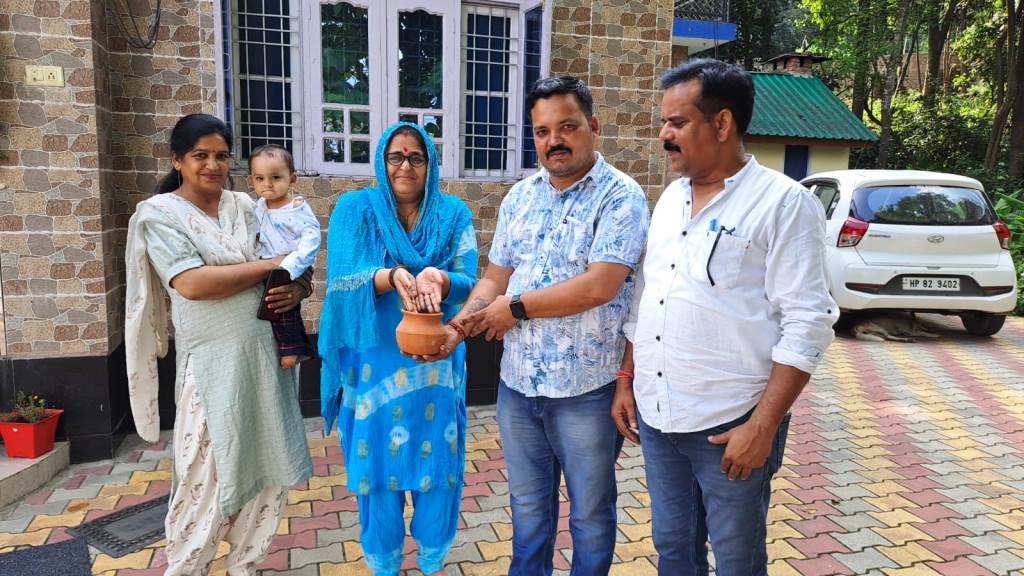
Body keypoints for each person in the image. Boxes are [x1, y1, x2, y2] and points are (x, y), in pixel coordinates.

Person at [611, 59, 838, 576]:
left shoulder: (783, 204)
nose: (664, 136)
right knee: (674, 551)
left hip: (731, 425)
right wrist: (627, 379)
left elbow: (808, 323)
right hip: (659, 418)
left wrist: (763, 425)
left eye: (677, 122)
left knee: (737, 560)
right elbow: (648, 298)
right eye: (663, 123)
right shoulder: (670, 199)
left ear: (722, 123)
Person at [423, 76, 649, 575]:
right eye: (542, 131)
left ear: (593, 126)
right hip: (518, 386)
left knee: (590, 513)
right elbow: (495, 278)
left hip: (587, 390)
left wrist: (517, 308)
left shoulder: (621, 197)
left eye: (567, 127)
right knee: (527, 509)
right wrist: (456, 329)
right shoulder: (520, 197)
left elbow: (601, 285)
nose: (554, 141)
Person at [124, 113, 314, 575]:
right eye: (200, 155)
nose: (213, 165)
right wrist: (271, 265)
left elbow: (298, 257)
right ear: (177, 160)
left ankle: (244, 566)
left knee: (268, 473)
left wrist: (299, 286)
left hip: (268, 358)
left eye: (222, 156)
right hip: (211, 367)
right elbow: (192, 283)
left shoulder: (248, 206)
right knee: (202, 479)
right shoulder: (159, 214)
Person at [319, 122, 478, 576]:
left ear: (431, 164)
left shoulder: (453, 215)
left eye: (416, 157)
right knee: (376, 472)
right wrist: (388, 277)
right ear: (381, 162)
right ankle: (384, 564)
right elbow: (340, 282)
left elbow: (469, 281)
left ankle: (432, 560)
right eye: (396, 157)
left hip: (436, 360)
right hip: (372, 365)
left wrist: (439, 277)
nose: (405, 166)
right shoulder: (355, 210)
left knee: (439, 471)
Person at [249, 144, 320, 369]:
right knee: (271, 304)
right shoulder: (258, 207)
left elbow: (311, 238)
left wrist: (292, 265)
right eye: (260, 178)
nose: (267, 184)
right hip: (267, 264)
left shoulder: (297, 208)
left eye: (276, 177)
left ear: (293, 179)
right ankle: (292, 346)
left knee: (284, 305)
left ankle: (293, 349)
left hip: (292, 264)